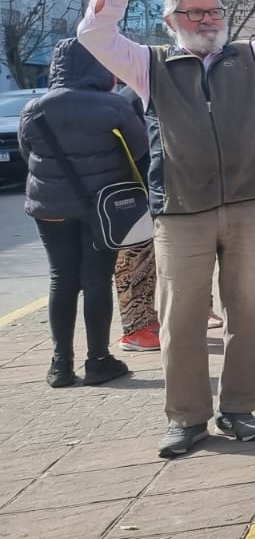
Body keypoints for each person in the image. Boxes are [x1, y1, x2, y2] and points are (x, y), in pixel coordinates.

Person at [77, 0, 255, 458]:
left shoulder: (252, 57)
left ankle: (239, 408)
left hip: (250, 204)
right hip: (182, 210)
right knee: (181, 315)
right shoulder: (147, 64)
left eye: (213, 10)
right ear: (172, 20)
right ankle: (186, 417)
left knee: (246, 312)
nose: (208, 19)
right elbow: (93, 32)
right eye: (196, 11)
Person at [19, 38, 148, 387]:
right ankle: (98, 361)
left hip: (51, 207)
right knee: (95, 281)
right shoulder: (113, 106)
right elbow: (138, 150)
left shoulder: (34, 107)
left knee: (61, 279)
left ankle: (60, 365)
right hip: (102, 209)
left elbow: (26, 151)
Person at [112, 84, 158, 353]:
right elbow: (142, 149)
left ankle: (143, 323)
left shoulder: (125, 97)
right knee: (135, 265)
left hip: (122, 195)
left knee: (139, 266)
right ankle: (136, 330)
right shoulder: (126, 100)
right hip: (132, 195)